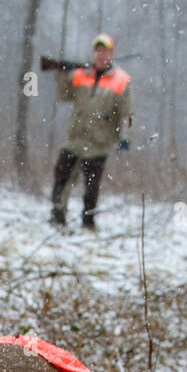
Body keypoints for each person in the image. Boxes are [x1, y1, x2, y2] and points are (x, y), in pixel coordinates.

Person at [48, 34, 133, 230]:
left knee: (91, 187)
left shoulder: (122, 81)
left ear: (111, 53)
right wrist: (61, 73)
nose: (101, 55)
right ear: (94, 53)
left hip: (99, 142)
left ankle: (88, 222)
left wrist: (125, 137)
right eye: (98, 50)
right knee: (62, 178)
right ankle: (57, 216)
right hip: (74, 138)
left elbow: (127, 114)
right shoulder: (81, 74)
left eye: (105, 51)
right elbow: (64, 96)